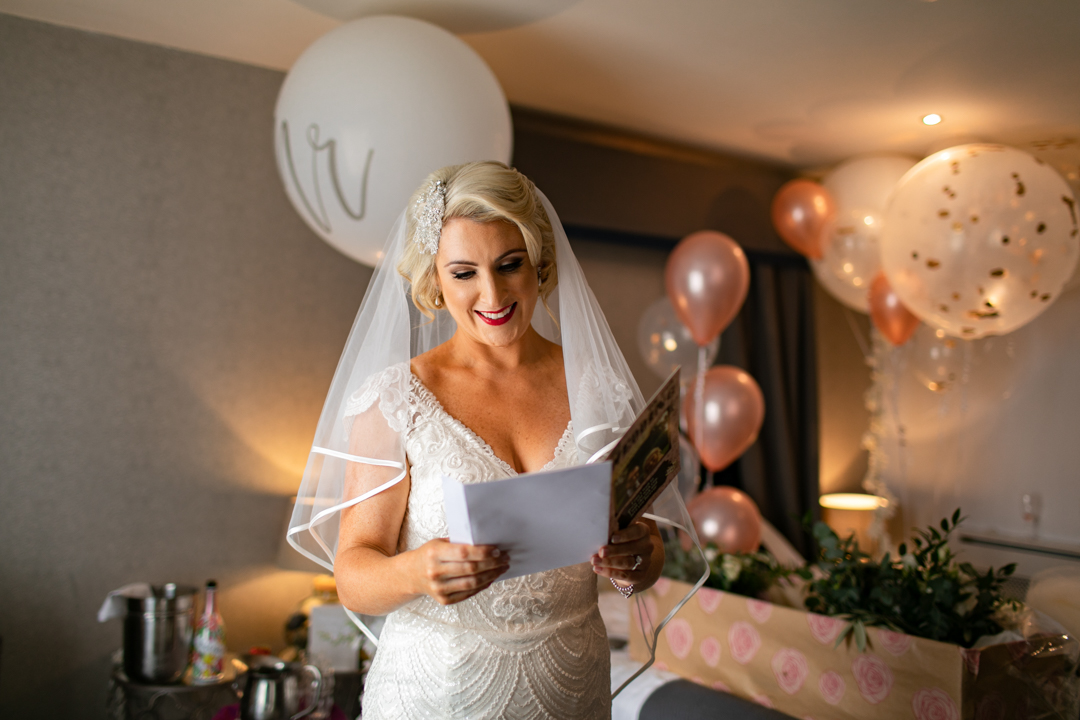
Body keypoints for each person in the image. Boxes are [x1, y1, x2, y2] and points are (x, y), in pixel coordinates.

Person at [288, 162, 681, 719]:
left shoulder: (598, 388)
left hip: (574, 690)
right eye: (464, 272)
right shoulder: (395, 399)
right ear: (435, 279)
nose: (492, 293)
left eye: (509, 264)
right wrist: (414, 571)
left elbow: (647, 551)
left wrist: (636, 559)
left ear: (539, 262)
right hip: (437, 696)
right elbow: (352, 576)